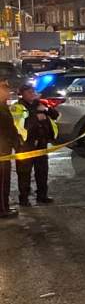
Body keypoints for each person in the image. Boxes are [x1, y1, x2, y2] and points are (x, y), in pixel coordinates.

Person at [12, 83, 58, 206]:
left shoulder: (40, 104)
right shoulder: (17, 107)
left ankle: (42, 196)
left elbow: (55, 115)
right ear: (22, 94)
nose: (32, 94)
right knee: (24, 173)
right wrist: (37, 117)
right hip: (25, 145)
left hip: (41, 144)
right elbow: (20, 126)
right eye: (29, 92)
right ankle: (24, 199)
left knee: (42, 171)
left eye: (33, 91)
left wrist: (46, 109)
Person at [0, 79, 17, 219]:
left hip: (5, 148)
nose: (8, 92)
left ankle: (4, 206)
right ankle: (2, 209)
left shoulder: (3, 106)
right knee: (2, 181)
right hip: (1, 150)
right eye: (5, 89)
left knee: (4, 180)